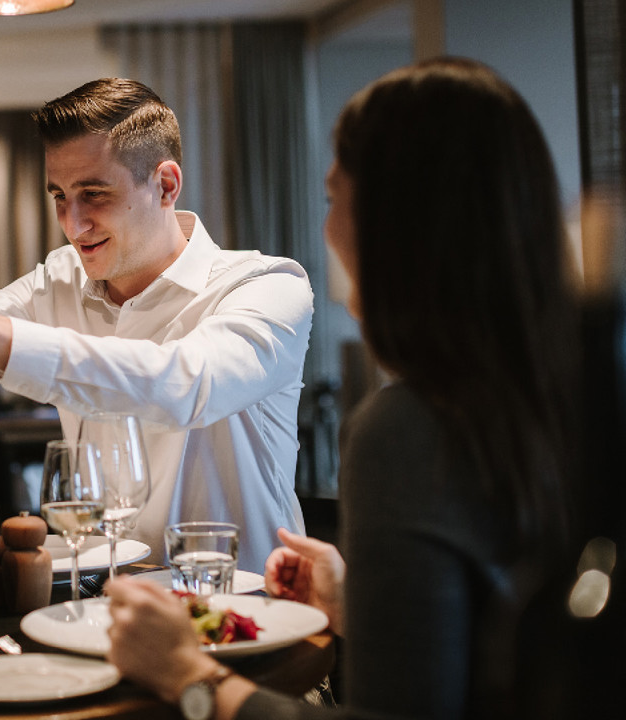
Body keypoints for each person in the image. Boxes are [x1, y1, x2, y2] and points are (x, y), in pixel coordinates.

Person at [103, 57, 580, 720]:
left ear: (396, 222)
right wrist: (361, 602)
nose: (326, 227)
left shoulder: (408, 429)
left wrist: (188, 675)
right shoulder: (567, 392)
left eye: (333, 198)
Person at [0, 78, 314, 571]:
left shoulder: (268, 285)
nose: (73, 224)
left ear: (165, 185)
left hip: (245, 603)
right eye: (59, 196)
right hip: (106, 600)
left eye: (94, 194)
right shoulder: (59, 281)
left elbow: (188, 386)